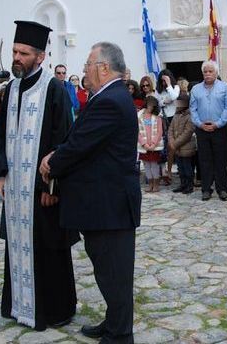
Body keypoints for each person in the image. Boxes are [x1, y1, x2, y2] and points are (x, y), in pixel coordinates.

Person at [39, 41, 141, 344]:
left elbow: (81, 143)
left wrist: (52, 162)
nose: (83, 70)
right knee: (106, 271)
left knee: (115, 274)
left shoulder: (111, 100)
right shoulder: (107, 96)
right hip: (102, 203)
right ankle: (113, 322)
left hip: (109, 204)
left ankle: (121, 335)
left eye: (87, 65)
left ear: (104, 68)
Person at [0, 20, 78, 331]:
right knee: (16, 246)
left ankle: (54, 310)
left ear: (40, 57)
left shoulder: (53, 89)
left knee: (48, 247)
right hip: (14, 190)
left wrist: (52, 185)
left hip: (41, 191)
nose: (16, 57)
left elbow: (63, 141)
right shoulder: (10, 89)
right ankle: (18, 305)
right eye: (14, 51)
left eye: (23, 53)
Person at [189, 60, 227, 201]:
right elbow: (193, 109)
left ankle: (222, 189)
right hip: (202, 128)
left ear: (216, 73)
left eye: (210, 71)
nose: (207, 74)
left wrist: (218, 123)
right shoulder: (196, 89)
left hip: (219, 129)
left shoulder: (225, 88)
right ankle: (206, 189)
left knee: (220, 159)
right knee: (204, 160)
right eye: (205, 72)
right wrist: (199, 124)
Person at [168, 93, 196, 194]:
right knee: (180, 167)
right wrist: (171, 141)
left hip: (186, 147)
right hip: (176, 147)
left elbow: (187, 133)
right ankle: (183, 184)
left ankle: (189, 185)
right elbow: (170, 129)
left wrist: (174, 144)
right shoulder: (176, 115)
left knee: (187, 168)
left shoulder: (190, 116)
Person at [137, 96, 164, 193]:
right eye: (149, 105)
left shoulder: (157, 118)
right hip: (144, 146)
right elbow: (137, 132)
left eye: (152, 106)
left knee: (154, 165)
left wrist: (153, 144)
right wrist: (144, 144)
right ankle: (150, 183)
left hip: (154, 146)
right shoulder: (139, 117)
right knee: (147, 165)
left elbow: (159, 132)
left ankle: (156, 183)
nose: (150, 108)